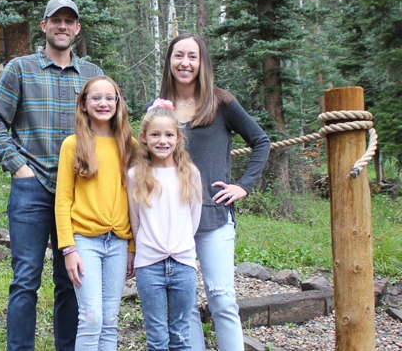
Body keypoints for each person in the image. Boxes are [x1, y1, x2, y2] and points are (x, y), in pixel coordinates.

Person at [0, 0, 103, 351]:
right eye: (56, 20)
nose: (63, 26)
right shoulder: (19, 69)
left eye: (70, 21)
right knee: (25, 280)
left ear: (77, 29)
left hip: (78, 193)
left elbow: (110, 128)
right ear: (44, 26)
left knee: (70, 280)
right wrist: (19, 168)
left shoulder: (93, 75)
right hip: (32, 189)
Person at [158, 33, 270, 351]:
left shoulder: (221, 102)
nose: (185, 63)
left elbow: (260, 141)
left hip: (214, 216)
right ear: (169, 61)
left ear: (202, 62)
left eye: (192, 56)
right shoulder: (162, 107)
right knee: (184, 302)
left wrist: (243, 186)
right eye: (179, 55)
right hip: (173, 219)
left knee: (221, 297)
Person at [54, 75, 138, 350]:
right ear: (84, 104)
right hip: (84, 242)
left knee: (111, 320)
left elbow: (137, 201)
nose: (103, 103)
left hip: (118, 242)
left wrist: (132, 248)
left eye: (109, 98)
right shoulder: (73, 144)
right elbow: (63, 199)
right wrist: (68, 248)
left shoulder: (131, 145)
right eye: (96, 97)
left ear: (118, 103)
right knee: (91, 317)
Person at [128, 99, 202, 351]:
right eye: (156, 135)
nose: (163, 140)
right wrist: (149, 247)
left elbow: (194, 216)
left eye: (169, 134)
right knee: (157, 337)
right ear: (144, 138)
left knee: (180, 335)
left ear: (178, 138)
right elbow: (135, 220)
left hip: (183, 263)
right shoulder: (135, 175)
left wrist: (179, 245)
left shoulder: (190, 173)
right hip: (150, 265)